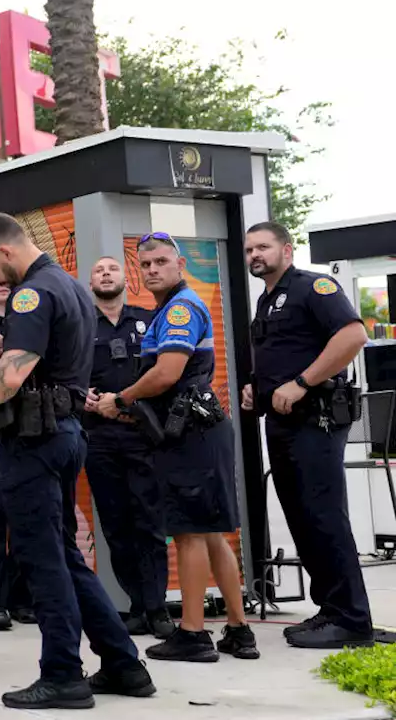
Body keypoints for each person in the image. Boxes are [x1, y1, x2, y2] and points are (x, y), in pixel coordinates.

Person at [0, 213, 152, 710]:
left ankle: (63, 674)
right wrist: (10, 350)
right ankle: (123, 664)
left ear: (5, 251)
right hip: (65, 433)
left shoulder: (30, 293)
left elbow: (11, 376)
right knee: (66, 556)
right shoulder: (68, 286)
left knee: (42, 560)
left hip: (33, 440)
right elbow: (44, 355)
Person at [95, 232, 257, 663]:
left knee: (187, 534)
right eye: (145, 265)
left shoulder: (180, 309)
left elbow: (167, 373)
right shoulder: (168, 308)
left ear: (179, 264)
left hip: (191, 434)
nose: (152, 270)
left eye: (161, 262)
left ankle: (192, 634)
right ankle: (239, 631)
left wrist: (121, 398)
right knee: (209, 532)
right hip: (199, 429)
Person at [242, 221, 373, 649]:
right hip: (282, 424)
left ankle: (353, 620)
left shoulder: (313, 287)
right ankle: (331, 611)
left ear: (287, 249)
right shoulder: (266, 300)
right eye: (249, 250)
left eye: (263, 247)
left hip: (315, 420)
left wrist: (301, 382)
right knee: (302, 519)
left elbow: (354, 335)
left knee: (324, 516)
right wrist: (255, 387)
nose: (255, 255)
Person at [82, 256, 173, 638]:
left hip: (141, 435)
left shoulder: (148, 319)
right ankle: (136, 606)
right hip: (99, 438)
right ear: (91, 282)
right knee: (116, 525)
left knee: (149, 523)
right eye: (99, 269)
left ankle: (158, 609)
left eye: (112, 269)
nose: (105, 273)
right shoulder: (80, 326)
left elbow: (163, 372)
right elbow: (65, 372)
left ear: (125, 279)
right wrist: (78, 394)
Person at [0, 279, 36, 631]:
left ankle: (23, 598)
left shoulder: (28, 317)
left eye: (6, 280)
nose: (0, 284)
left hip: (28, 430)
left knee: (27, 519)